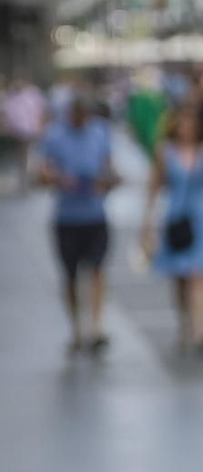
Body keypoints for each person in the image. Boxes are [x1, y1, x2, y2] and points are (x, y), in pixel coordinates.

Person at [37, 93, 119, 356]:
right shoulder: (55, 135)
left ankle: (95, 327)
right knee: (70, 276)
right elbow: (42, 172)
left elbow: (109, 168)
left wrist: (106, 181)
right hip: (67, 217)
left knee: (97, 270)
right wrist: (59, 179)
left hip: (95, 214)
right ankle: (76, 329)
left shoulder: (100, 132)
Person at [143, 104, 203, 356]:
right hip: (176, 217)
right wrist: (148, 222)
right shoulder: (165, 152)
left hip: (201, 217)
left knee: (200, 273)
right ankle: (185, 326)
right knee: (180, 277)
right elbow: (154, 187)